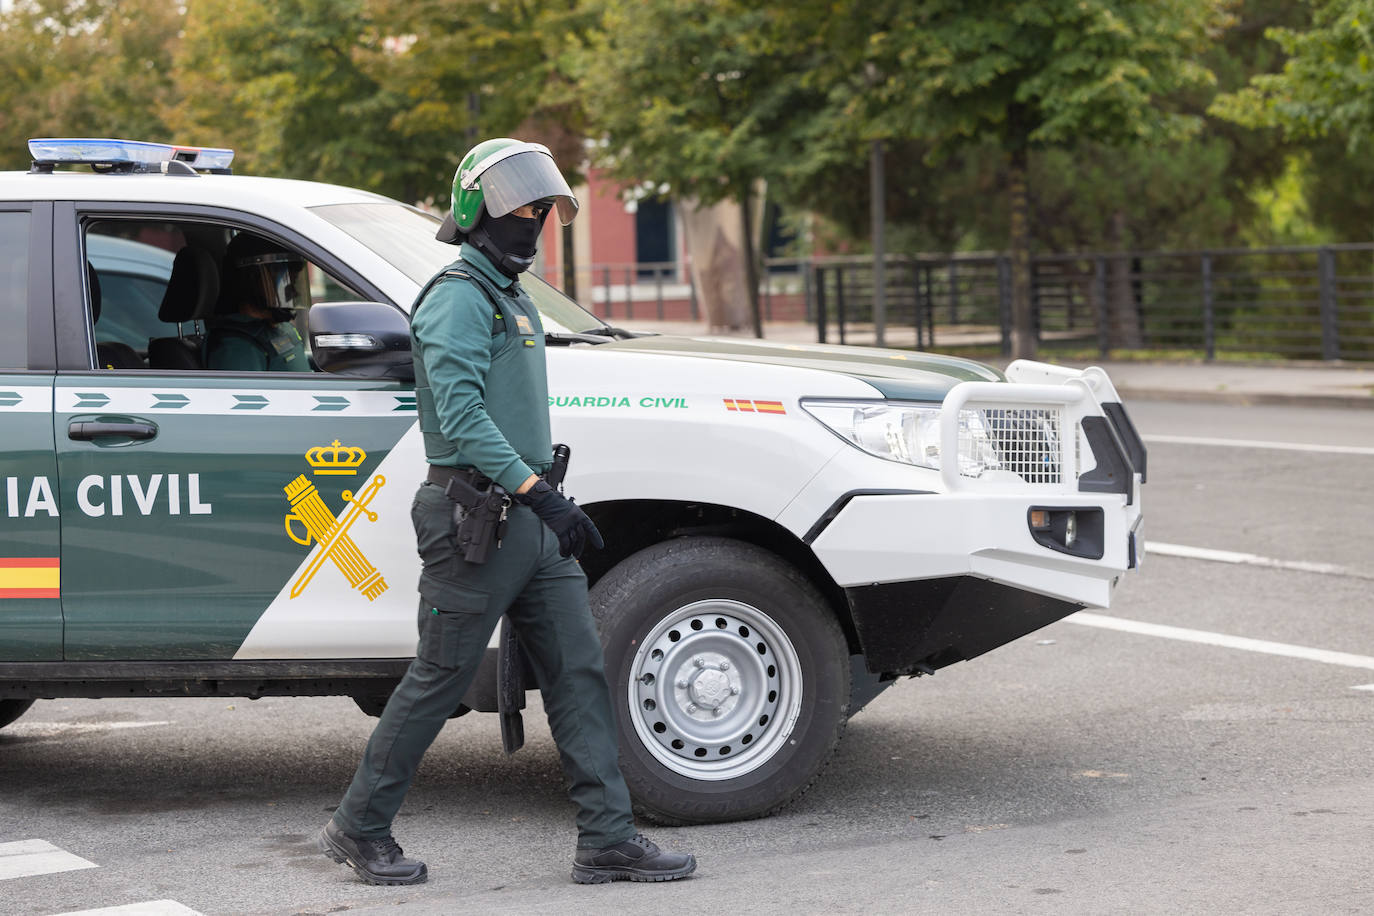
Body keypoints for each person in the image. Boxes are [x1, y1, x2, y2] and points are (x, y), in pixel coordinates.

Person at [318, 138, 696, 886]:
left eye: (542, 209)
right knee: (439, 677)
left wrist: (540, 498)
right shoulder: (459, 295)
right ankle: (359, 826)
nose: (535, 221)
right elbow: (458, 418)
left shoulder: (508, 293)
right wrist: (537, 492)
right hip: (476, 522)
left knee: (579, 672)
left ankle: (607, 839)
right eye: (521, 207)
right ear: (476, 211)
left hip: (527, 517)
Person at [205, 233, 310, 372]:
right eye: (283, 281)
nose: (292, 291)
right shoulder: (238, 347)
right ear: (251, 280)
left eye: (292, 281)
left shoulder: (278, 327)